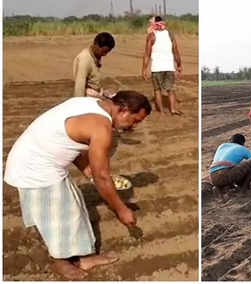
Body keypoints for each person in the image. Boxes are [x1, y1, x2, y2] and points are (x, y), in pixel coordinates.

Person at [4, 91, 152, 280]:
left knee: (74, 206)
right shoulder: (102, 128)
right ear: (123, 110)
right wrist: (121, 209)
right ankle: (60, 261)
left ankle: (84, 257)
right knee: (57, 217)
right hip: (34, 167)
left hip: (38, 158)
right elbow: (102, 177)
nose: (134, 126)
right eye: (135, 120)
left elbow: (67, 141)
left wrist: (86, 169)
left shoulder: (91, 103)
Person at [142, 16, 183, 115]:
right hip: (169, 67)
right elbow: (176, 51)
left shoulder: (151, 36)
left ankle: (161, 112)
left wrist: (144, 69)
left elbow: (147, 54)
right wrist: (179, 64)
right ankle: (172, 109)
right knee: (170, 90)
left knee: (157, 90)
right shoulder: (170, 34)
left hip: (156, 68)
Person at [209, 134, 251, 201]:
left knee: (232, 166)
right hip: (226, 174)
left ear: (230, 140)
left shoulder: (222, 146)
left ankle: (219, 187)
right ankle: (243, 190)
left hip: (212, 177)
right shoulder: (243, 148)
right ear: (242, 143)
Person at [73, 32, 116, 98]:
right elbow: (80, 86)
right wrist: (80, 104)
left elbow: (93, 80)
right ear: (96, 44)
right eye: (103, 51)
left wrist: (102, 91)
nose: (105, 54)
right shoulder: (84, 59)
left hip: (95, 94)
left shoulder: (95, 56)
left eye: (107, 52)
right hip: (87, 97)